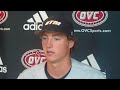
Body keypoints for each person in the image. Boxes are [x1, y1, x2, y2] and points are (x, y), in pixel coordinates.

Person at [18, 16, 106, 79]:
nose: (48, 45)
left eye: (56, 39)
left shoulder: (92, 77)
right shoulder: (27, 76)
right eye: (45, 38)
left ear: (70, 43)